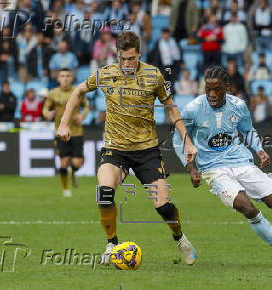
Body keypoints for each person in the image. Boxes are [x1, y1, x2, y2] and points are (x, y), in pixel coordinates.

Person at [56, 31, 198, 266]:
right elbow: (78, 90)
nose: (126, 63)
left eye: (131, 58)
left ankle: (180, 238)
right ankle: (112, 244)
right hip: (116, 150)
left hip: (147, 151)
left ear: (139, 54)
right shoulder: (106, 73)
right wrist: (63, 122)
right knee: (104, 194)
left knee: (164, 207)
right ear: (117, 55)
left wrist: (187, 140)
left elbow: (171, 108)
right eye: (122, 58)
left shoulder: (154, 76)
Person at [173, 66, 272, 270]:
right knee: (246, 207)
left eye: (217, 89)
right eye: (208, 89)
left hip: (241, 162)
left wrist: (259, 150)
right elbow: (179, 140)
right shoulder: (193, 109)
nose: (212, 94)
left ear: (227, 87)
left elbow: (248, 130)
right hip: (214, 169)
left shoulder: (238, 105)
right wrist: (191, 168)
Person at [43, 68, 90, 197]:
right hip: (61, 131)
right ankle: (65, 189)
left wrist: (82, 116)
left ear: (71, 78)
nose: (65, 78)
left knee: (77, 163)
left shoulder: (78, 91)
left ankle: (73, 172)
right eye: (62, 76)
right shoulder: (53, 93)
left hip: (76, 131)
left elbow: (86, 106)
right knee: (63, 161)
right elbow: (45, 109)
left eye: (67, 76)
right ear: (58, 79)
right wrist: (49, 114)